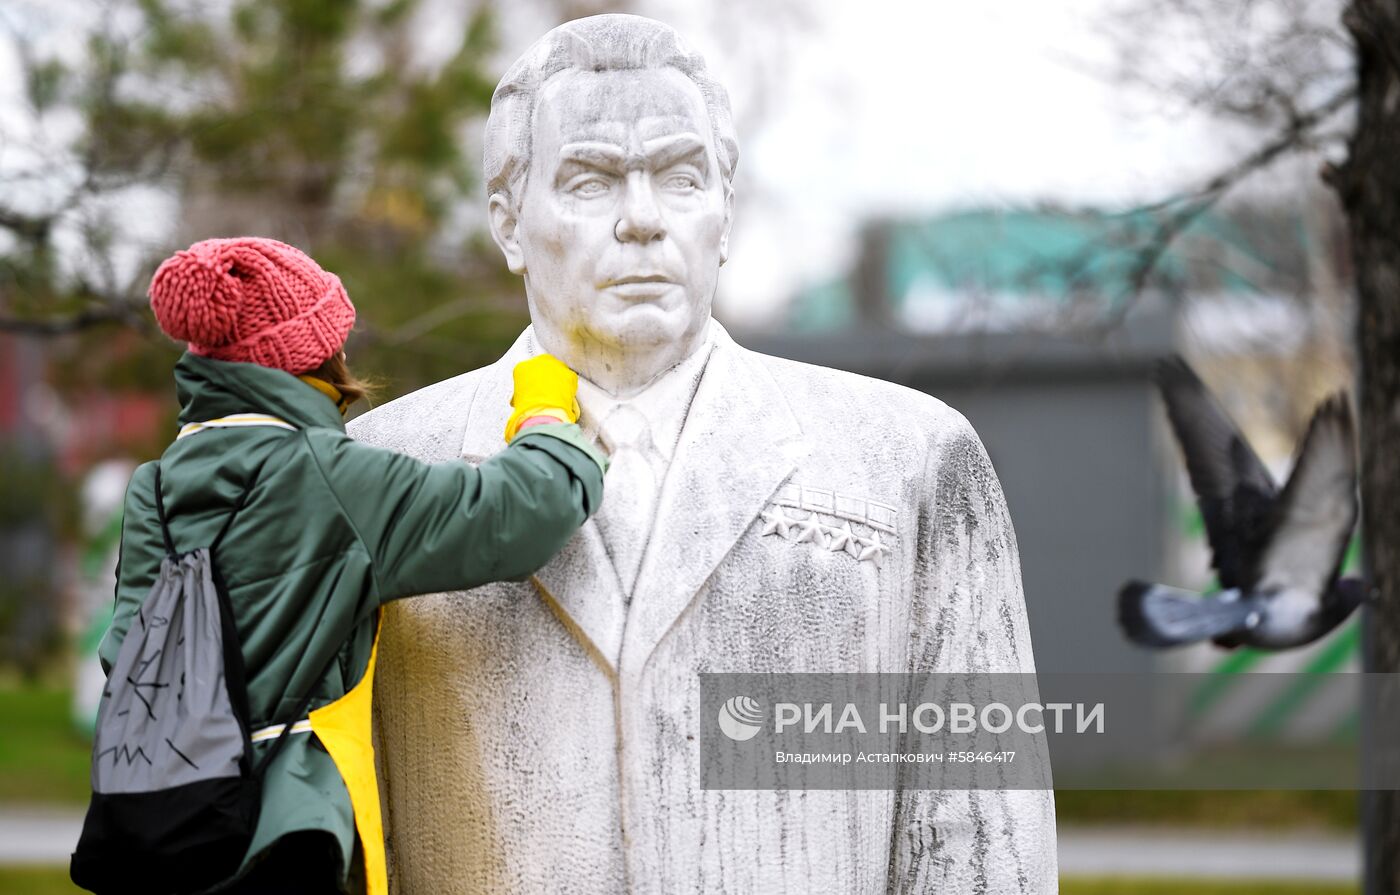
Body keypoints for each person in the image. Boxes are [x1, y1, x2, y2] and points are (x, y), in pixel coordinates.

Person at [349, 14, 1057, 893]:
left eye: (682, 177)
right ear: (507, 222)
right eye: (591, 180)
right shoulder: (377, 470)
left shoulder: (911, 460)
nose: (643, 221)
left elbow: (984, 841)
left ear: (725, 209)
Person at [97, 236, 607, 895]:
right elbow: (521, 511)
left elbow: (125, 651)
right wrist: (544, 412)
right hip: (285, 839)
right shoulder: (329, 477)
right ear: (314, 355)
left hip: (166, 826)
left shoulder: (157, 485)